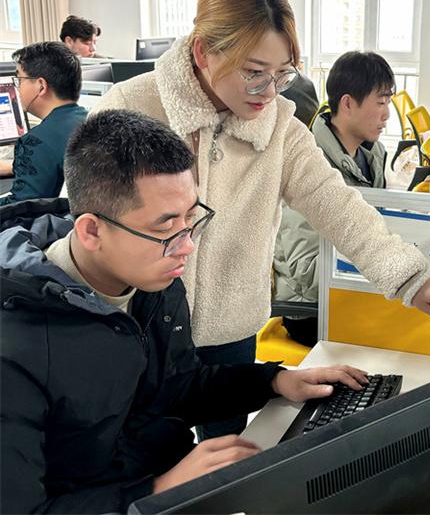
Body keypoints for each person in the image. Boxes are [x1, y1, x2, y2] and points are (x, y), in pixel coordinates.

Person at [92, 0, 430, 440]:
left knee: (225, 458)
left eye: (282, 74)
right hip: (139, 330)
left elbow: (338, 205)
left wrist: (412, 277)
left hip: (231, 328)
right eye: (254, 73)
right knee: (144, 458)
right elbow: (86, 225)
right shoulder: (131, 107)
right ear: (203, 52)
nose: (268, 92)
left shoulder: (280, 126)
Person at [0, 109, 369, 514]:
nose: (187, 246)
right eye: (165, 227)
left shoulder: (151, 281)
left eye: (191, 217)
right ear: (91, 231)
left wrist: (275, 381)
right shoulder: (15, 344)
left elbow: (174, 387)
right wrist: (162, 488)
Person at [273, 51, 393, 347]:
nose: (387, 114)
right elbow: (305, 271)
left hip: (354, 293)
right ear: (348, 104)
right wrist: (378, 266)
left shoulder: (373, 156)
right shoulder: (307, 164)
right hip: (312, 311)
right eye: (380, 103)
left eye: (388, 102)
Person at [0, 42, 87, 205]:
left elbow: (20, 208)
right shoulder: (88, 119)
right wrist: (15, 165)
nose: (18, 88)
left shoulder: (38, 140)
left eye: (20, 80)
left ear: (41, 86)